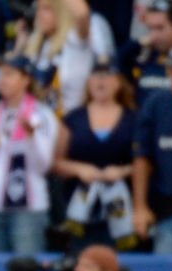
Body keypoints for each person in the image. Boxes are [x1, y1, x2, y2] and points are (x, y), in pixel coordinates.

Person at [0, 55, 59, 254]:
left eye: (9, 74)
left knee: (26, 270)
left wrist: (32, 138)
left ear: (25, 80)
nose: (3, 80)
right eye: (1, 74)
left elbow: (44, 166)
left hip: (29, 208)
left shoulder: (42, 115)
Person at [54, 58, 137, 250]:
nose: (101, 82)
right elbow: (56, 162)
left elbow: (144, 162)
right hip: (80, 209)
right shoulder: (73, 118)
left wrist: (123, 171)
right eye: (96, 76)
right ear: (88, 82)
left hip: (121, 208)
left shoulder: (133, 119)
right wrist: (79, 169)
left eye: (107, 76)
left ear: (118, 82)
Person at [133, 42, 172, 254]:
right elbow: (142, 157)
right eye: (171, 70)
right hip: (167, 209)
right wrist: (140, 207)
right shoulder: (157, 103)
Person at [17, 0, 116, 116]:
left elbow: (82, 14)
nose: (39, 14)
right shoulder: (37, 43)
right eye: (38, 9)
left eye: (47, 9)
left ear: (62, 11)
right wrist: (19, 47)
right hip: (41, 123)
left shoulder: (75, 40)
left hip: (71, 119)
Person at [118, 0, 172, 107]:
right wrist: (139, 42)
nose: (154, 35)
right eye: (150, 28)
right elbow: (117, 64)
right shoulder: (145, 56)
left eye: (160, 28)